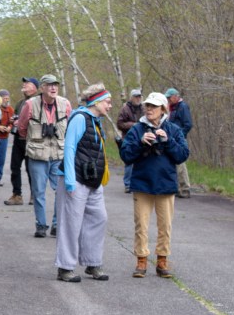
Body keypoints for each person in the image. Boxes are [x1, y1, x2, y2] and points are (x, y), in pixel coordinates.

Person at [120, 92, 189, 279]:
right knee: (141, 225)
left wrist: (167, 141)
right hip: (142, 183)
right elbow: (126, 155)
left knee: (165, 226)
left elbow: (182, 155)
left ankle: (162, 260)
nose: (149, 109)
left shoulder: (173, 129)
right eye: (147, 106)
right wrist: (141, 143)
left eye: (154, 106)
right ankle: (141, 260)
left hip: (166, 184)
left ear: (163, 109)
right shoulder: (137, 129)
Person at [55, 83, 113, 283]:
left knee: (99, 217)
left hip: (93, 181)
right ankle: (65, 267)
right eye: (107, 101)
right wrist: (70, 179)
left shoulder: (95, 121)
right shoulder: (80, 118)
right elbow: (69, 148)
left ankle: (92, 262)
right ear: (96, 102)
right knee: (71, 223)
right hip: (76, 179)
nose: (110, 105)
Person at [17, 74, 72, 238]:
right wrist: (37, 139)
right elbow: (22, 128)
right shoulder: (30, 104)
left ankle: (56, 224)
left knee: (60, 191)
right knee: (38, 192)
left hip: (58, 154)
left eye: (56, 85)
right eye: (49, 85)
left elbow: (71, 126)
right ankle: (41, 225)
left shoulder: (65, 104)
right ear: (42, 88)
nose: (53, 88)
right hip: (37, 155)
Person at [5, 77, 39, 205]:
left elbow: (39, 120)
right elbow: (16, 118)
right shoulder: (20, 102)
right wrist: (14, 121)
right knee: (14, 167)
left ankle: (34, 195)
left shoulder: (38, 101)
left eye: (27, 83)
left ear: (35, 88)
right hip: (18, 139)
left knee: (31, 169)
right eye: (24, 83)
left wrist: (23, 122)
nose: (24, 85)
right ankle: (17, 195)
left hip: (31, 140)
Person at [165, 88, 193, 198]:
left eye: (169, 97)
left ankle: (185, 189)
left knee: (180, 164)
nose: (168, 99)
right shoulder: (173, 108)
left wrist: (179, 135)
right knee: (174, 165)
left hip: (178, 140)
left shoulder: (183, 107)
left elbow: (188, 124)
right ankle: (178, 188)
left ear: (176, 96)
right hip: (172, 139)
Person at [117, 89, 144, 194]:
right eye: (136, 96)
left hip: (141, 139)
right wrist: (133, 125)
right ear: (131, 97)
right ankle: (127, 184)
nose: (138, 98)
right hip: (128, 138)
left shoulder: (144, 108)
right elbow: (119, 124)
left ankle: (138, 183)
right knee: (129, 162)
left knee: (141, 161)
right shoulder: (125, 109)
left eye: (139, 96)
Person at [0, 89, 15, 187]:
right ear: (0, 99)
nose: (6, 100)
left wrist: (9, 128)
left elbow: (13, 122)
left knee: (1, 159)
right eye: (4, 98)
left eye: (8, 98)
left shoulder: (10, 109)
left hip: (4, 138)